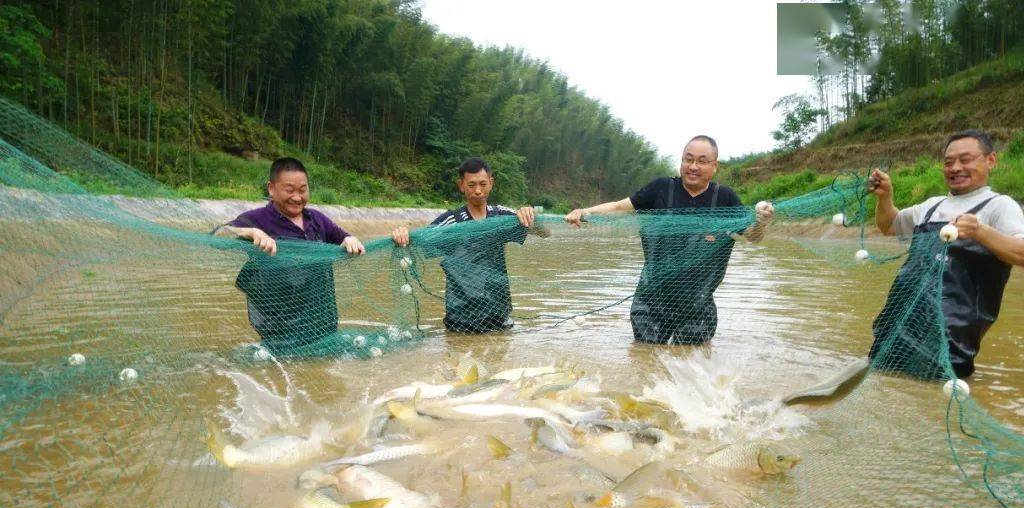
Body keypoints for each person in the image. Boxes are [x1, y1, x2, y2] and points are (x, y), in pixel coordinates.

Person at [564, 135, 773, 345]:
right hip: (652, 299)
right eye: (687, 159)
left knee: (692, 365)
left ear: (714, 166)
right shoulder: (661, 188)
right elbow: (620, 207)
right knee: (645, 358)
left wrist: (761, 222)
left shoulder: (724, 198)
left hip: (697, 304)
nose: (693, 166)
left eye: (701, 161)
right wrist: (584, 211)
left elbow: (752, 236)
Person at [868, 130, 1024, 379]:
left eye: (965, 160)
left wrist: (980, 231)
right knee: (887, 390)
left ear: (990, 160)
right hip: (897, 329)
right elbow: (889, 225)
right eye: (948, 163)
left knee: (934, 398)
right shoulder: (931, 206)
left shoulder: (999, 206)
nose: (956, 168)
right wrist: (886, 197)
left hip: (949, 343)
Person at [216, 157, 364, 349]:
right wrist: (250, 232)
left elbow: (346, 240)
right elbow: (218, 235)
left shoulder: (317, 220)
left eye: (302, 190)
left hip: (323, 325)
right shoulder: (258, 219)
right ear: (271, 188)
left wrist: (349, 239)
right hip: (280, 329)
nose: (297, 197)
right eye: (289, 190)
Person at [390, 157, 536, 333]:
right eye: (471, 185)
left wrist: (529, 214)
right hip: (460, 319)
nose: (478, 191)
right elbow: (420, 239)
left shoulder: (503, 216)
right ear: (461, 185)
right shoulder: (452, 221)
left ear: (491, 183)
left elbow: (543, 232)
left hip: (499, 316)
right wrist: (403, 233)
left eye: (483, 184)